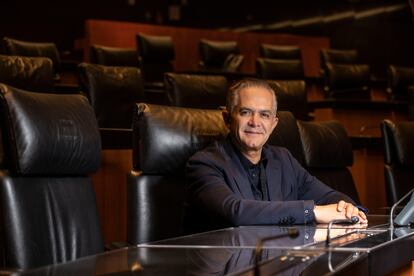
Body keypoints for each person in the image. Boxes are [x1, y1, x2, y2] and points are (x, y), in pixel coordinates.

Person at [184, 78, 367, 233]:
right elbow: (236, 212)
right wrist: (311, 211)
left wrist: (349, 209)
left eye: (264, 115)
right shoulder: (204, 163)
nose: (255, 122)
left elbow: (329, 196)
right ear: (227, 118)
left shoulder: (283, 159)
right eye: (245, 112)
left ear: (273, 124)